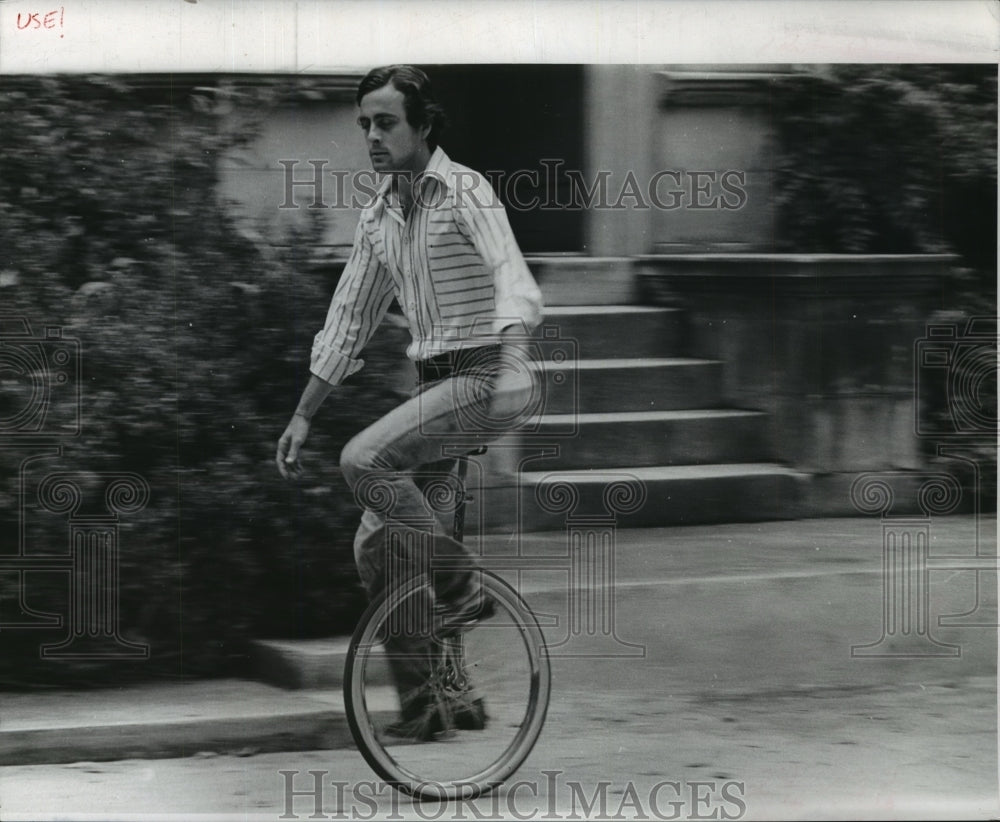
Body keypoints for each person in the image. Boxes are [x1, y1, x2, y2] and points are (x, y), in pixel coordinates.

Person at [275, 65, 543, 736]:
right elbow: (349, 321)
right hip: (437, 394)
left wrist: (512, 364)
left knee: (363, 462)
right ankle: (437, 704)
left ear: (423, 125)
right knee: (382, 548)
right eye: (364, 123)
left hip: (484, 380)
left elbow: (513, 278)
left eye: (386, 121)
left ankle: (462, 586)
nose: (371, 134)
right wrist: (303, 412)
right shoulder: (379, 217)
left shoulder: (465, 191)